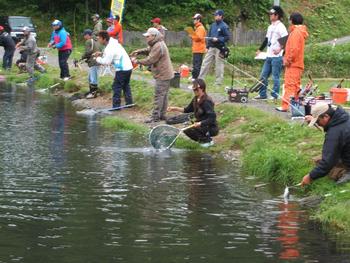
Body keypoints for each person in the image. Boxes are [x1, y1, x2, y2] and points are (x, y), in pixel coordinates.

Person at [131, 28, 174, 123]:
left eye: (148, 36)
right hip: (165, 73)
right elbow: (148, 50)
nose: (146, 38)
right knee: (163, 95)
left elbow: (150, 60)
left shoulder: (158, 45)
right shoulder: (156, 43)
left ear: (154, 36)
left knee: (158, 95)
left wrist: (137, 61)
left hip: (163, 74)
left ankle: (155, 117)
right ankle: (162, 115)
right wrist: (139, 52)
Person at [301, 104, 350, 186]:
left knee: (322, 163)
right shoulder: (344, 118)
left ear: (326, 116)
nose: (318, 124)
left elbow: (327, 162)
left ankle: (346, 175)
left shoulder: (334, 132)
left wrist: (310, 176)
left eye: (317, 121)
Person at [168, 79, 219, 147]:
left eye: (196, 89)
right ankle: (203, 140)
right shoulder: (195, 98)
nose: (195, 91)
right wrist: (175, 108)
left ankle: (207, 141)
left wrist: (200, 123)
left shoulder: (207, 101)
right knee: (186, 129)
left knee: (190, 129)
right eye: (194, 90)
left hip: (210, 127)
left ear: (202, 88)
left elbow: (212, 117)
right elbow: (187, 110)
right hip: (201, 125)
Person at [276, 12, 308, 112]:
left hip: (293, 64)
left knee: (289, 85)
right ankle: (295, 106)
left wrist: (287, 61)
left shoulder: (296, 32)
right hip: (297, 63)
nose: (289, 21)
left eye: (290, 19)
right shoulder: (299, 31)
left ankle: (286, 106)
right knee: (296, 86)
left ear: (292, 20)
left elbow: (293, 50)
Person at [254, 6, 288, 100]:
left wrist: (280, 49)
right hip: (268, 55)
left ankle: (274, 95)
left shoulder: (281, 26)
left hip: (277, 57)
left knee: (275, 77)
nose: (270, 16)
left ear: (277, 15)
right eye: (270, 14)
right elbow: (266, 39)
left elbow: (286, 39)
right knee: (263, 75)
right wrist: (260, 49)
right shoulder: (270, 27)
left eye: (272, 14)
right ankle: (262, 94)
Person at [95, 31, 133, 108]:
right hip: (128, 67)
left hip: (122, 69)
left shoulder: (110, 47)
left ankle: (116, 106)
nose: (98, 40)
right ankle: (129, 103)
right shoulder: (114, 43)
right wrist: (101, 54)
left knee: (116, 87)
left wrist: (97, 58)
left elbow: (107, 62)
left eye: (99, 38)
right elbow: (112, 56)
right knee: (126, 85)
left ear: (104, 39)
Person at [198, 9, 230, 86]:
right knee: (205, 63)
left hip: (220, 48)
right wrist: (207, 47)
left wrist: (218, 39)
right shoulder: (213, 25)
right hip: (211, 47)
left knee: (219, 66)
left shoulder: (224, 26)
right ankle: (200, 80)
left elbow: (227, 37)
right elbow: (209, 36)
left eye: (216, 15)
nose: (215, 16)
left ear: (221, 16)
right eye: (214, 15)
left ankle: (218, 83)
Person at [81, 29, 102, 99]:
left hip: (93, 61)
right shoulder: (97, 41)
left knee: (93, 78)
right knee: (91, 77)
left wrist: (82, 57)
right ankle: (91, 91)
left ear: (87, 35)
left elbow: (87, 52)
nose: (84, 37)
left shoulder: (88, 41)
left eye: (84, 35)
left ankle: (93, 93)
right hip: (98, 61)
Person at [189, 13, 206, 80]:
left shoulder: (201, 28)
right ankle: (194, 76)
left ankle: (196, 78)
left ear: (199, 20)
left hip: (199, 49)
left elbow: (198, 38)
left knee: (197, 65)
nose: (193, 20)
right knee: (195, 64)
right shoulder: (197, 27)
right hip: (196, 49)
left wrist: (192, 35)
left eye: (195, 19)